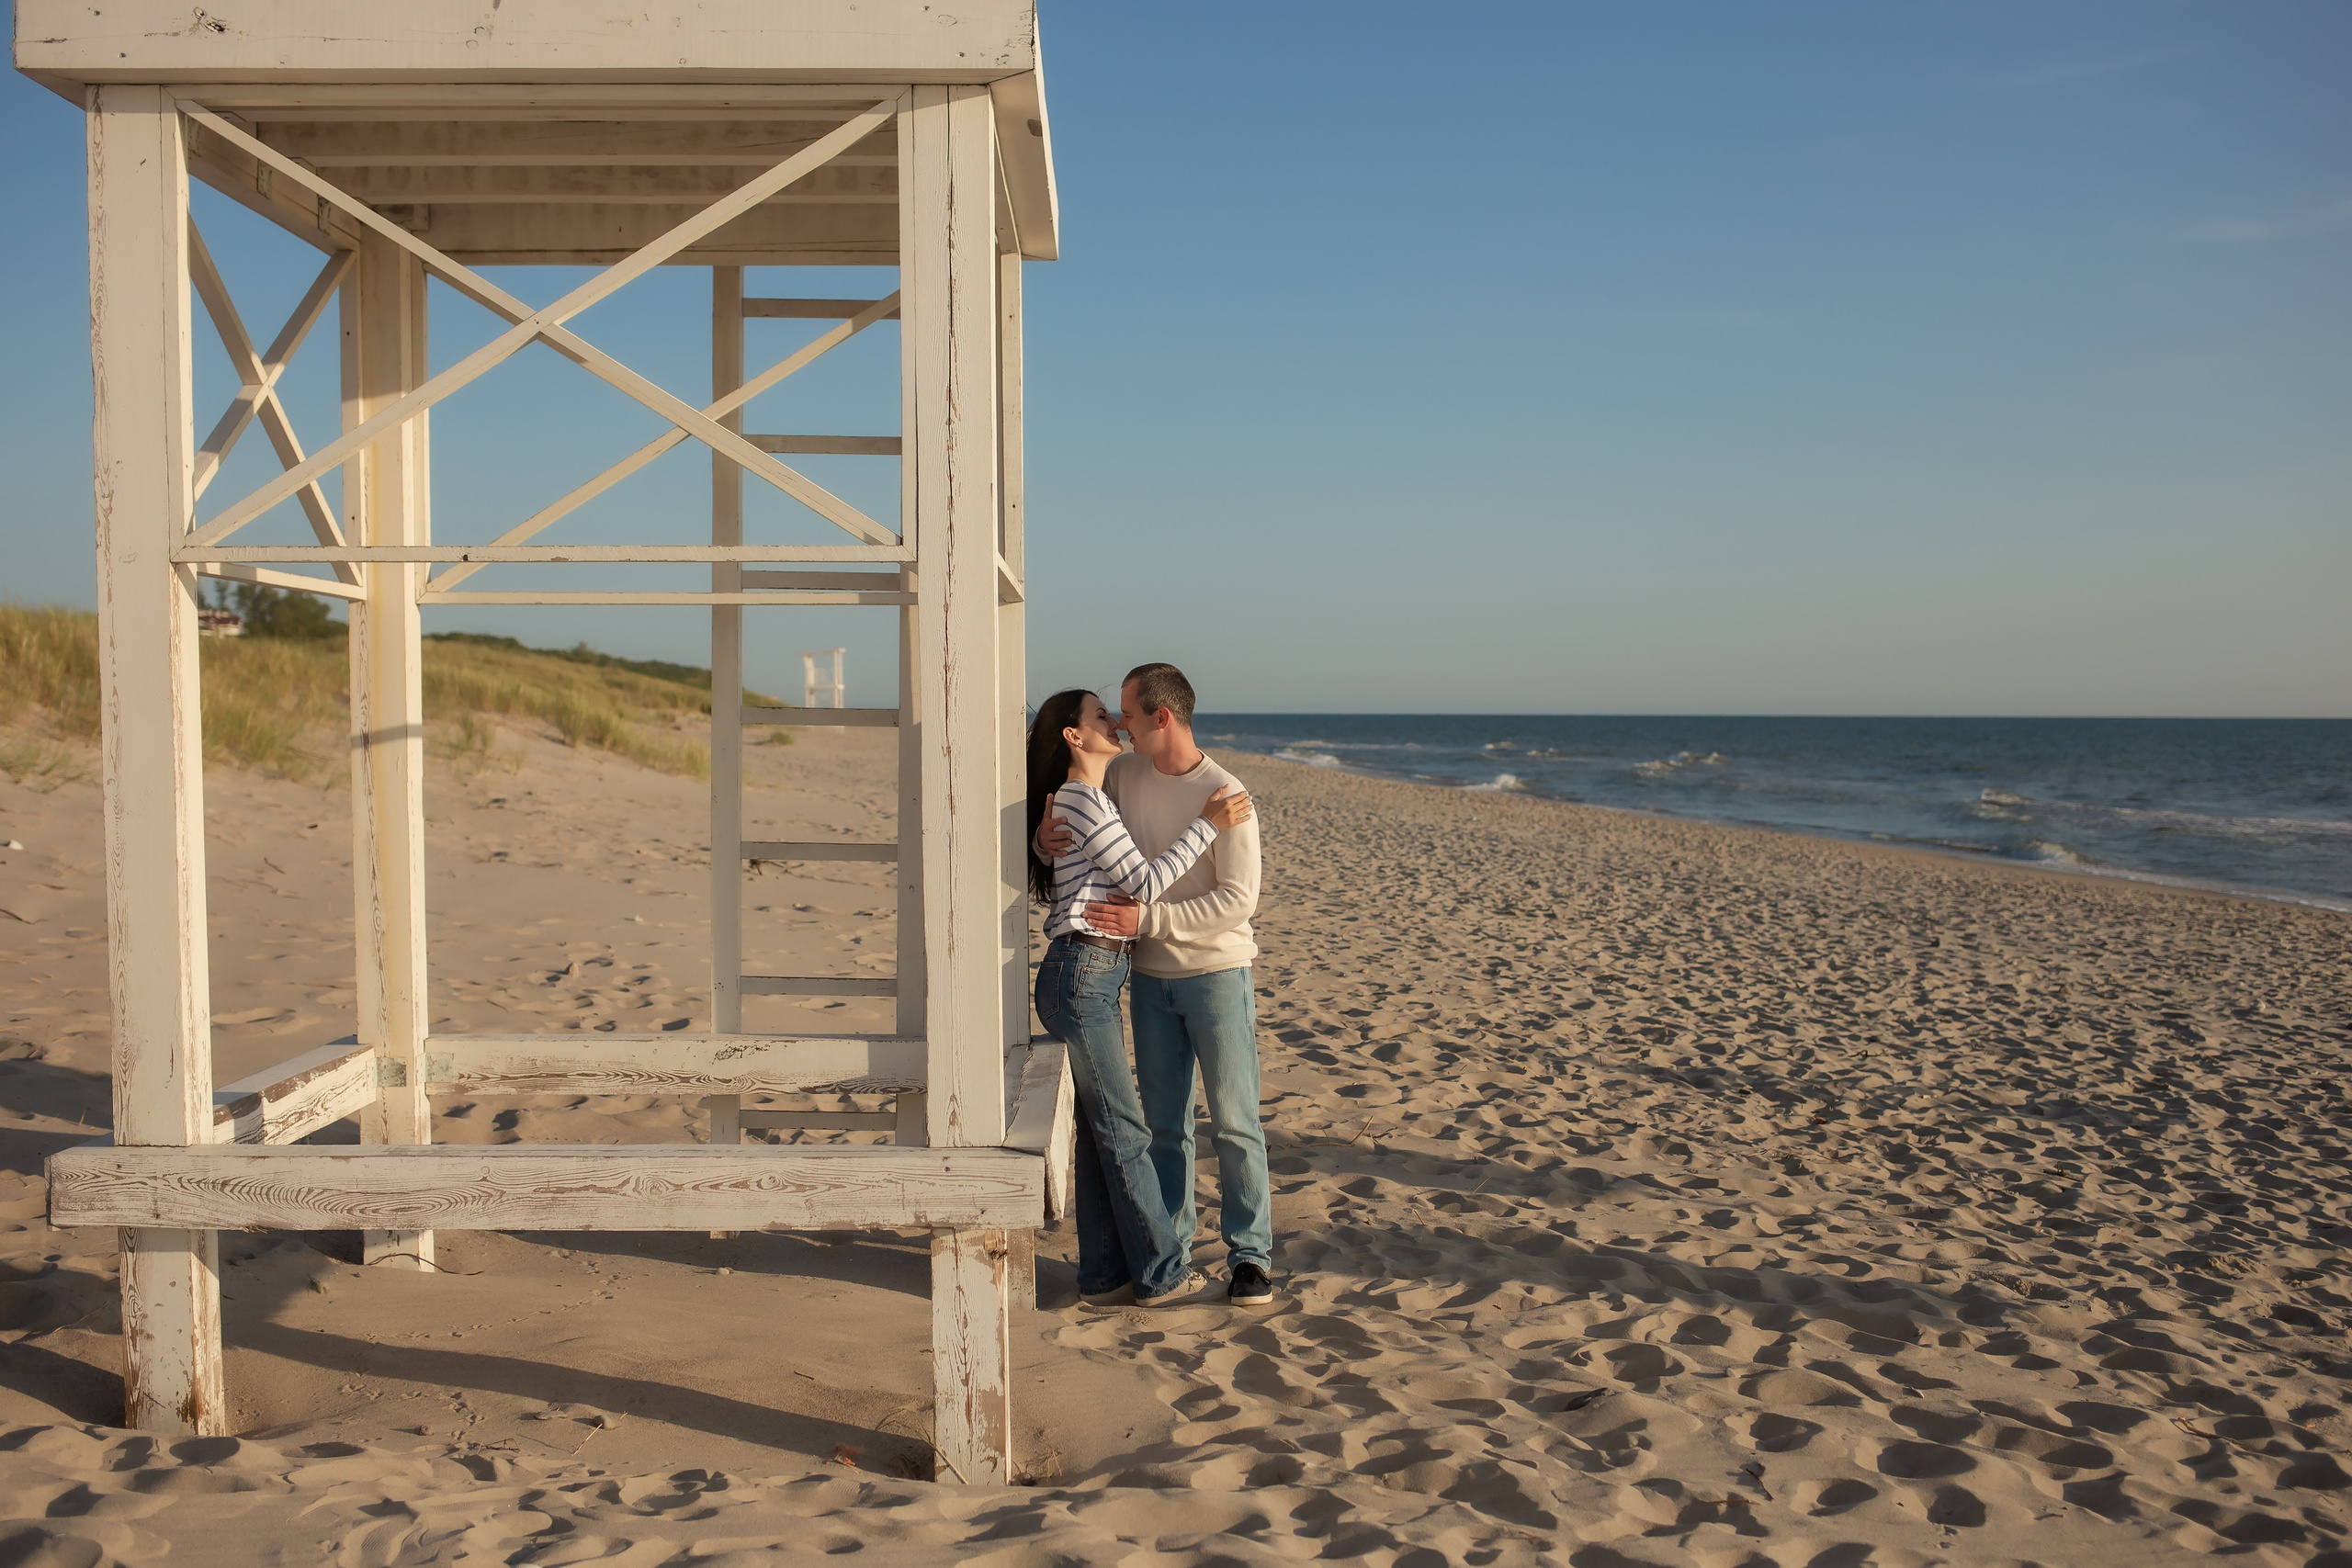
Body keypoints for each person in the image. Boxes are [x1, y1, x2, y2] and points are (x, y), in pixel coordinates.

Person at [1038, 663, 1273, 1309]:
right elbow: (1072, 804)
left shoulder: (1227, 793)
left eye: (1127, 715)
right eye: (1109, 716)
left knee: (1233, 1123)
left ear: (1160, 718)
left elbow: (1237, 901)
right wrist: (1041, 836)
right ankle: (1166, 1248)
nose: (1118, 724)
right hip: (1145, 975)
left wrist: (1152, 918)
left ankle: (1250, 1255)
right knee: (1163, 1126)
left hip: (1217, 973)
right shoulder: (1121, 773)